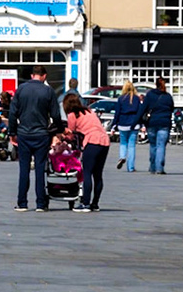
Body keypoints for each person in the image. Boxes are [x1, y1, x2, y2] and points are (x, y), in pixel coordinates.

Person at [9, 68, 58, 211]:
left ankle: (22, 203)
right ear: (44, 76)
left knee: (24, 169)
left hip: (24, 133)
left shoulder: (21, 89)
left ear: (32, 75)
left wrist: (12, 132)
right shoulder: (48, 91)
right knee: (40, 168)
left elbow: (13, 113)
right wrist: (58, 131)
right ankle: (41, 204)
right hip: (41, 134)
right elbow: (55, 114)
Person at [64, 93, 111, 211]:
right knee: (98, 174)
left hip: (92, 141)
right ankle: (95, 203)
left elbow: (71, 134)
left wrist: (64, 136)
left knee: (87, 173)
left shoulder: (72, 115)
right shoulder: (89, 111)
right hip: (104, 140)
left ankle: (85, 203)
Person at [143, 78, 175, 174]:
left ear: (155, 84)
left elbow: (143, 108)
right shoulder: (168, 97)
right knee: (161, 146)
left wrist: (137, 121)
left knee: (153, 146)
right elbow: (171, 108)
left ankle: (152, 167)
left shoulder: (149, 95)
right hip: (164, 123)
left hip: (152, 123)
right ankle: (159, 168)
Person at [112, 81, 145, 171]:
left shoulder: (121, 99)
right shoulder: (137, 99)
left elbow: (117, 113)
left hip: (122, 124)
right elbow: (140, 112)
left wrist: (113, 125)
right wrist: (142, 124)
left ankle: (122, 156)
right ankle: (130, 167)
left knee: (123, 143)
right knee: (131, 146)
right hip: (134, 124)